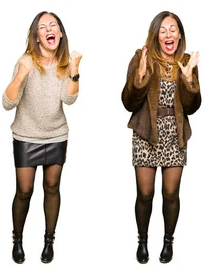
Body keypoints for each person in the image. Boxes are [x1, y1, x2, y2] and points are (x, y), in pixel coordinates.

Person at [121, 11, 200, 264]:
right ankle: (142, 241)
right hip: (146, 132)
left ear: (179, 35)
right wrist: (141, 77)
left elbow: (192, 107)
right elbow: (128, 102)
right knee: (144, 193)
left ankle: (168, 241)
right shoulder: (141, 57)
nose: (169, 34)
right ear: (155, 34)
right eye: (163, 30)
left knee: (170, 193)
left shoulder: (187, 61)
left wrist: (189, 80)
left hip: (175, 134)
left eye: (173, 29)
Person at [2, 11, 81, 264]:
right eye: (44, 26)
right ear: (37, 36)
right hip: (26, 135)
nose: (50, 29)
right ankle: (17, 239)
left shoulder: (66, 63)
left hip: (56, 135)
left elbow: (69, 99)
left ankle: (49, 240)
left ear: (59, 33)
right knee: (24, 190)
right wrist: (21, 74)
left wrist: (75, 70)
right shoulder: (25, 61)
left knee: (52, 188)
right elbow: (7, 103)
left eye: (54, 26)